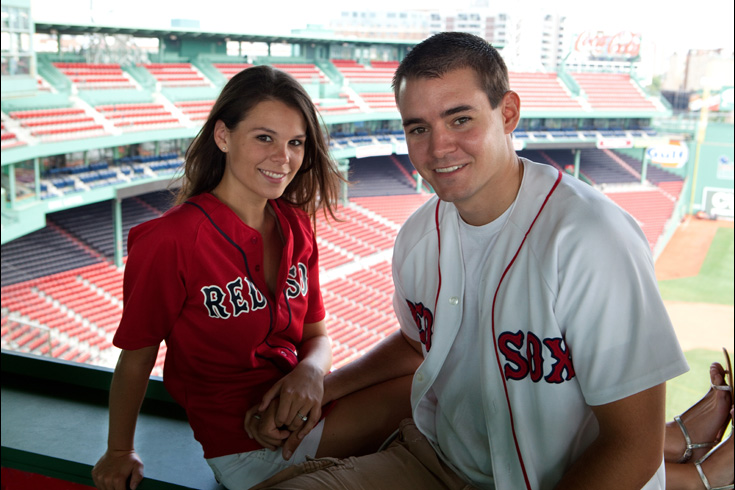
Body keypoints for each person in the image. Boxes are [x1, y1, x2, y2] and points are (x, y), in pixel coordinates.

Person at [248, 32, 694, 490]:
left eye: (460, 119)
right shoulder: (418, 236)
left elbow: (634, 448)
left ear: (508, 113)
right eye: (418, 128)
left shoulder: (593, 240)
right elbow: (417, 342)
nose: (439, 147)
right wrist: (325, 384)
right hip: (434, 463)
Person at [91, 65, 415, 490]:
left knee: (432, 373)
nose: (283, 158)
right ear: (223, 136)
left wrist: (311, 374)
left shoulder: (296, 225)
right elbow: (136, 357)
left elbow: (317, 336)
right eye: (265, 137)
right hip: (244, 445)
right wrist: (119, 451)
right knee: (435, 389)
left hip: (300, 411)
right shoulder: (171, 239)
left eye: (295, 143)